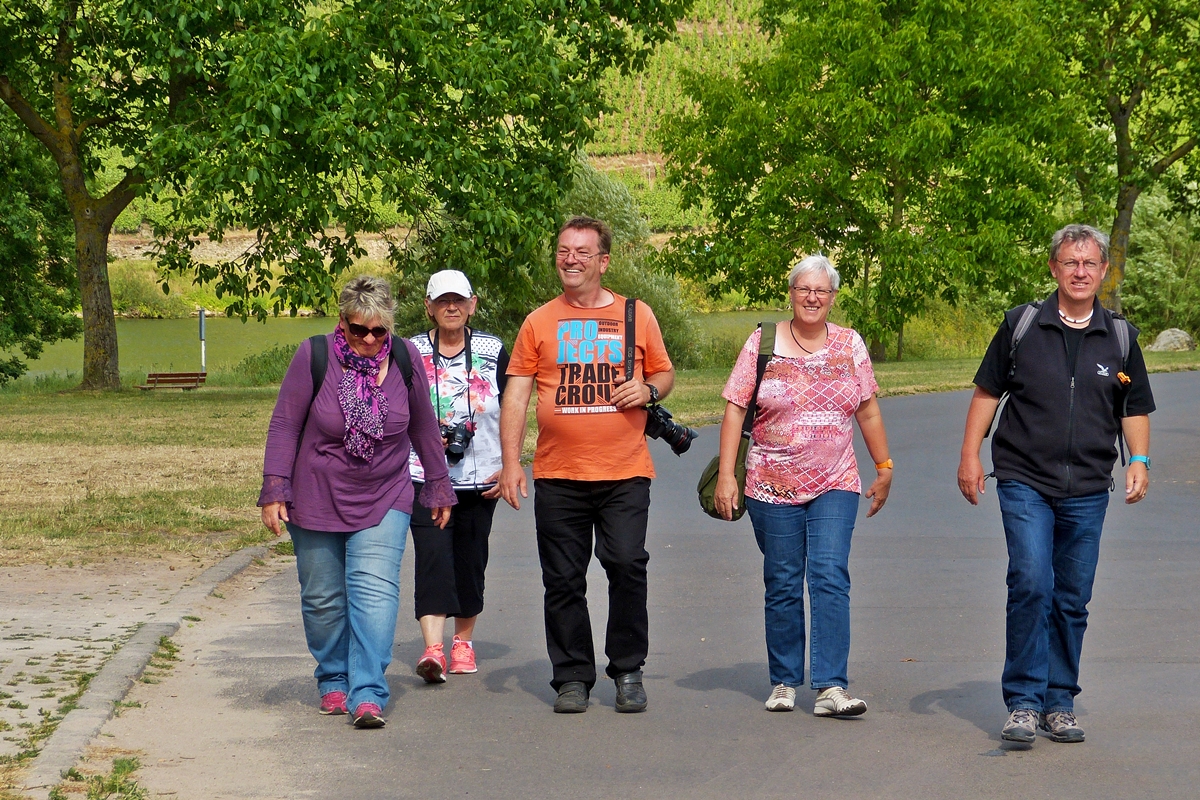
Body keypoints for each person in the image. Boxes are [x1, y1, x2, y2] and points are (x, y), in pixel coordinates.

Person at [958, 224, 1155, 745]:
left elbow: (1134, 407)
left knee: (1071, 597)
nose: (1080, 272)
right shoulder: (1022, 325)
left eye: (1090, 264)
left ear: (1104, 271)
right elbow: (986, 393)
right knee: (1030, 581)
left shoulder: (1120, 336)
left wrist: (1139, 459)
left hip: (1089, 486)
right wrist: (969, 455)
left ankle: (1059, 702)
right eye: (1071, 262)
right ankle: (1023, 702)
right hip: (1024, 478)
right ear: (1054, 267)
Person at [259, 276, 456, 729]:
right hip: (315, 494)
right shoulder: (315, 356)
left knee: (374, 593)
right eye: (358, 329)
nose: (369, 339)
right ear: (342, 323)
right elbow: (285, 425)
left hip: (385, 492)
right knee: (323, 599)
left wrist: (438, 484)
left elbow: (424, 426)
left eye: (378, 331)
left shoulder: (405, 358)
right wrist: (275, 489)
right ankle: (333, 679)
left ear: (389, 328)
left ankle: (367, 692)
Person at [498, 216, 675, 714]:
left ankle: (627, 669)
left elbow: (663, 372)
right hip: (558, 473)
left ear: (604, 261)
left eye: (581, 251)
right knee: (562, 579)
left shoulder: (636, 315)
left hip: (625, 470)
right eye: (562, 250)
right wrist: (512, 462)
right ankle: (572, 675)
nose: (570, 259)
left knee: (625, 563)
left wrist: (649, 389)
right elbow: (516, 396)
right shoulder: (538, 321)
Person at [714, 254, 892, 716]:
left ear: (833, 298)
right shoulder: (762, 342)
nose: (812, 298)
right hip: (770, 483)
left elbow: (867, 409)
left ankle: (832, 686)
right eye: (803, 289)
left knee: (830, 575)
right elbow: (735, 407)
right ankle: (785, 682)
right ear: (791, 293)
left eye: (822, 291)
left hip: (837, 479)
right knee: (784, 580)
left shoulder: (851, 344)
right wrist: (729, 476)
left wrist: (884, 464)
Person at [407, 270, 508, 683]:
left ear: (472, 304)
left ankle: (462, 642)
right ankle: (433, 647)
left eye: (459, 300)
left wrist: (509, 464)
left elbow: (513, 407)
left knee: (471, 558)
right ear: (429, 307)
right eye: (442, 301)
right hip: (422, 475)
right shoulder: (410, 350)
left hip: (481, 472)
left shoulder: (493, 348)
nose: (452, 308)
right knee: (431, 557)